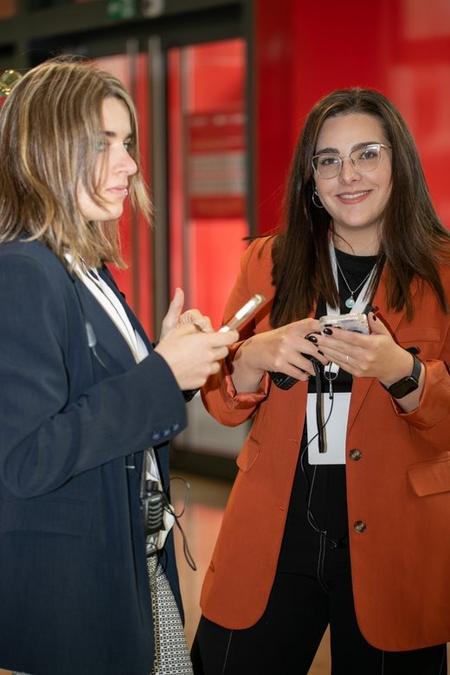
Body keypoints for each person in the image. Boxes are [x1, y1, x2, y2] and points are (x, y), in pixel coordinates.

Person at [191, 87, 450, 674]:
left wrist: (402, 373)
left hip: (396, 536)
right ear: (310, 178)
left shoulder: (442, 271)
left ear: (399, 163)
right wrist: (251, 355)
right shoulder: (268, 262)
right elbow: (223, 405)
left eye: (367, 154)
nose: (347, 175)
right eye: (328, 160)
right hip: (274, 528)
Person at [0, 57, 237, 675]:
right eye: (104, 143)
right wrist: (161, 374)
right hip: (74, 597)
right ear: (46, 152)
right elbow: (24, 459)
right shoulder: (24, 271)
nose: (129, 164)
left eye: (127, 143)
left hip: (127, 564)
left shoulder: (81, 264)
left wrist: (168, 365)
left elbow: (105, 401)